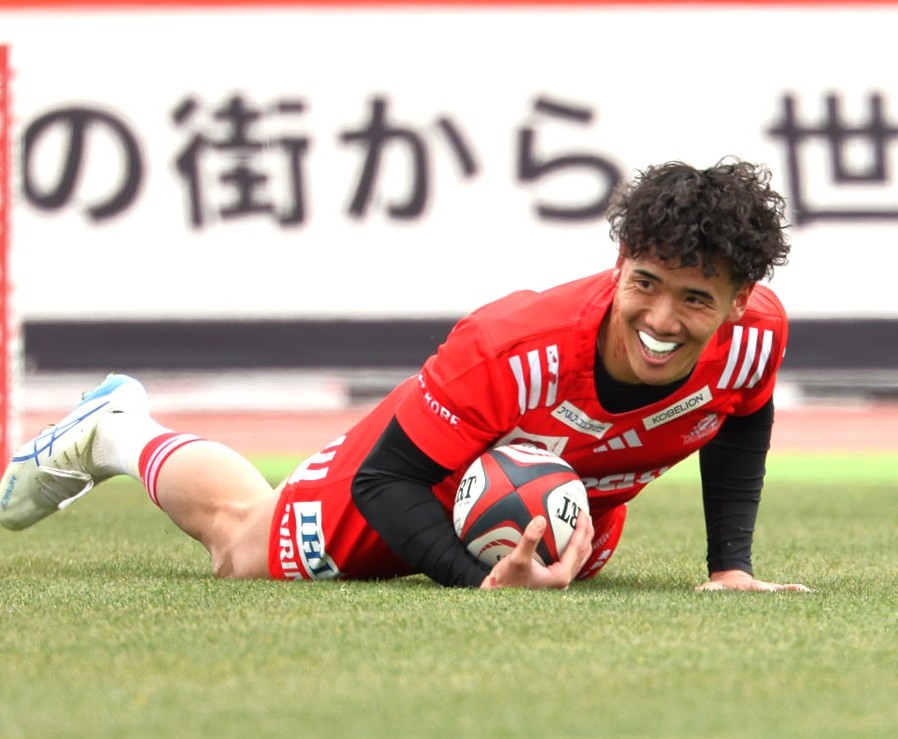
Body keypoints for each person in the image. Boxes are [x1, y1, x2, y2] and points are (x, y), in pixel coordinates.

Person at [0, 157, 810, 593]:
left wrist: (729, 567)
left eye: (695, 299)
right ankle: (118, 430)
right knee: (242, 543)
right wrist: (480, 581)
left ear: (739, 300)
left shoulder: (755, 339)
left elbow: (742, 418)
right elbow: (384, 480)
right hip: (417, 479)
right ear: (621, 260)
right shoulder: (511, 348)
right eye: (645, 284)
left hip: (558, 506)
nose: (661, 319)